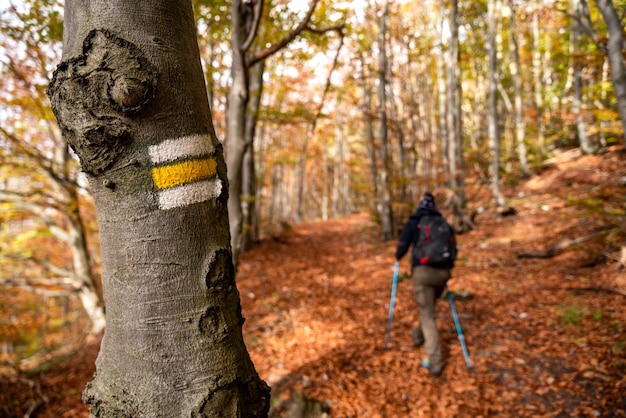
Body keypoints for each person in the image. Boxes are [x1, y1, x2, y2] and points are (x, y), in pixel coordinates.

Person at [395, 192, 451, 376]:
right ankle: (418, 336)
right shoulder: (441, 222)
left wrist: (397, 257)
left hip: (422, 272)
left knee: (428, 315)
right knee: (428, 309)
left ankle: (435, 361)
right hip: (443, 272)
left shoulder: (415, 221)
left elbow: (403, 243)